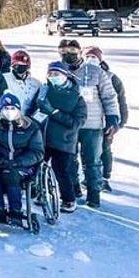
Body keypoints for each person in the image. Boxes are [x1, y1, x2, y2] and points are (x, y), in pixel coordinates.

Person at [59, 39, 120, 208]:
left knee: (92, 162)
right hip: (69, 125)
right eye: (64, 52)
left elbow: (109, 96)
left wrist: (112, 118)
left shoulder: (95, 72)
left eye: (72, 51)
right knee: (69, 161)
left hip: (92, 125)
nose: (68, 55)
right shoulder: (59, 71)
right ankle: (74, 190)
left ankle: (94, 196)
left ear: (79, 52)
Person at [0, 94, 44, 225]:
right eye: (5, 108)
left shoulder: (31, 126)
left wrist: (17, 162)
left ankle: (15, 211)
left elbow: (37, 152)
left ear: (18, 109)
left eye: (12, 108)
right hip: (0, 161)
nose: (9, 111)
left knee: (11, 174)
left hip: (23, 164)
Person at [34, 62, 87, 213]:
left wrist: (54, 112)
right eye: (50, 74)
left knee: (61, 170)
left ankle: (69, 199)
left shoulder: (76, 97)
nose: (53, 77)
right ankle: (41, 192)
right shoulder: (45, 90)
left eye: (56, 74)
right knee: (37, 166)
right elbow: (35, 109)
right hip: (42, 137)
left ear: (65, 76)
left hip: (64, 141)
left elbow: (77, 122)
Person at [87, 45, 128, 192]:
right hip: (88, 121)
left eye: (93, 57)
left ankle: (105, 177)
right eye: (87, 57)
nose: (90, 60)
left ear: (99, 60)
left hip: (106, 121)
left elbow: (120, 100)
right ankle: (89, 178)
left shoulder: (111, 77)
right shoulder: (82, 74)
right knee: (89, 152)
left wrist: (120, 121)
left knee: (104, 148)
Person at [3, 50, 42, 116]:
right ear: (13, 65)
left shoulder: (36, 83)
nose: (20, 66)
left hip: (29, 119)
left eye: (24, 65)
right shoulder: (4, 78)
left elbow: (39, 103)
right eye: (18, 64)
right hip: (10, 116)